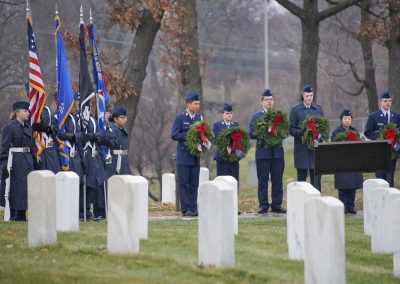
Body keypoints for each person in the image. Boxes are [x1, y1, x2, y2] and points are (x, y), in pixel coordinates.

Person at [249, 89, 286, 214]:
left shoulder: (279, 116)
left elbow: (285, 131)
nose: (269, 102)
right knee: (263, 180)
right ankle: (263, 205)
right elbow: (251, 133)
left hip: (277, 153)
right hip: (263, 153)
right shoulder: (256, 116)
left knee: (277, 180)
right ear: (262, 102)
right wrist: (263, 132)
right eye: (267, 100)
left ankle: (276, 204)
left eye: (271, 99)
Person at [0, 102, 36, 221]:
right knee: (17, 187)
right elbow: (4, 148)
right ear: (17, 113)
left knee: (26, 187)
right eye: (25, 111)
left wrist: (34, 159)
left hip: (27, 159)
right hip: (16, 159)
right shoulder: (10, 127)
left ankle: (22, 213)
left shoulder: (27, 127)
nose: (27, 113)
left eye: (28, 111)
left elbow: (31, 145)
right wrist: (4, 163)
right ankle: (15, 214)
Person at [171, 92, 202, 217]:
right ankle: (185, 209)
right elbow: (174, 135)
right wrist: (188, 136)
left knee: (194, 183)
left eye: (198, 103)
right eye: (195, 104)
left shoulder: (199, 118)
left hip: (195, 156)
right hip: (184, 156)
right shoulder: (180, 118)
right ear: (188, 104)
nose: (197, 106)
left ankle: (193, 208)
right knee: (184, 183)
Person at [56, 97, 87, 220]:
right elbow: (57, 134)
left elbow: (80, 134)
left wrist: (72, 136)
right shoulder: (57, 118)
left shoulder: (74, 119)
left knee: (77, 184)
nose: (76, 106)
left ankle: (78, 213)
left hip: (75, 156)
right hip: (64, 155)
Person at [289, 85, 324, 190]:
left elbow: (323, 128)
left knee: (316, 178)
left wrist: (318, 136)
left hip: (315, 149)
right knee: (302, 179)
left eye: (311, 95)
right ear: (303, 96)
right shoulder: (296, 110)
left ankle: (316, 201)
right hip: (302, 149)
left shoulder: (318, 109)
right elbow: (291, 129)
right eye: (307, 95)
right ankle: (301, 202)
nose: (309, 98)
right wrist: (303, 133)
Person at [364, 91, 400, 187]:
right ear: (381, 102)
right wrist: (381, 136)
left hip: (392, 152)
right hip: (378, 152)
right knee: (380, 180)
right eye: (385, 101)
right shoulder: (373, 116)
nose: (388, 103)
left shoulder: (396, 116)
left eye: (389, 101)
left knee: (390, 178)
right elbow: (367, 132)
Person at [331, 110, 363, 214]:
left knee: (352, 185)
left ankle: (351, 206)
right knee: (343, 185)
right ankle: (343, 206)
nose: (347, 121)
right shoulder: (336, 132)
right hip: (341, 163)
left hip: (353, 162)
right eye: (345, 118)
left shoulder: (355, 131)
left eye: (349, 119)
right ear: (341, 120)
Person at [82, 112, 107, 221]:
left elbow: (101, 134)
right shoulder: (82, 119)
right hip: (86, 154)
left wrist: (96, 136)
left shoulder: (93, 120)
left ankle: (98, 211)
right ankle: (86, 211)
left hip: (96, 154)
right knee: (89, 184)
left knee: (98, 182)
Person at [212, 103, 240, 182]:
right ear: (222, 114)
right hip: (222, 157)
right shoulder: (217, 125)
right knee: (222, 181)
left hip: (233, 158)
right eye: (227, 113)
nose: (229, 115)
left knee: (234, 180)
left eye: (231, 113)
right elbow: (216, 140)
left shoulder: (235, 125)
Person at [31, 104, 61, 173]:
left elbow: (56, 128)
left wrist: (48, 128)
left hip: (51, 150)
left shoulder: (47, 110)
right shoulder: (30, 110)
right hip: (39, 150)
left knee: (54, 175)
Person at [104, 107, 131, 178]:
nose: (125, 120)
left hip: (123, 161)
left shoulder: (123, 130)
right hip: (114, 161)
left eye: (125, 117)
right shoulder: (110, 129)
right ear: (115, 119)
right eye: (122, 117)